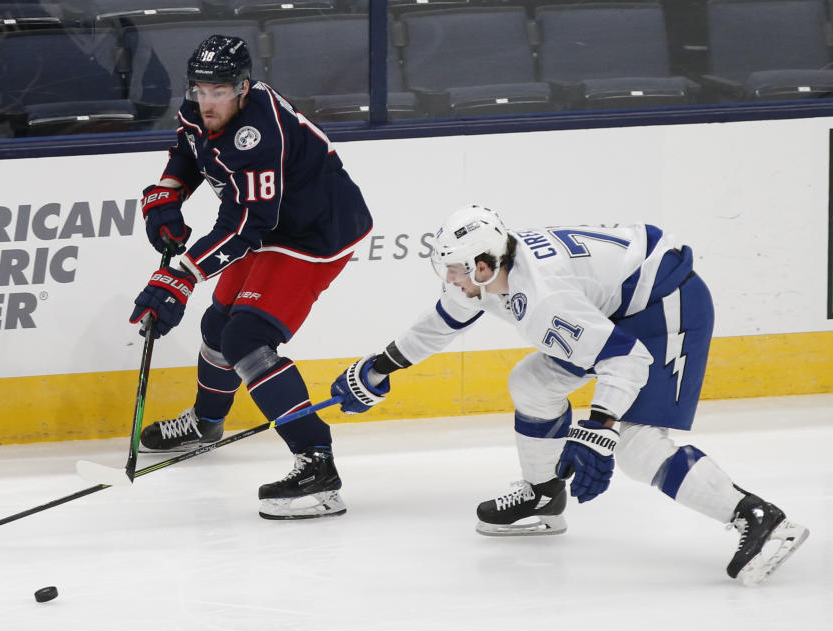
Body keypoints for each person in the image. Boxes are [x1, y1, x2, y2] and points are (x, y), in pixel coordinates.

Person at [331, 204, 809, 584]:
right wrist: (381, 366)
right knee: (532, 383)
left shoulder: (543, 299)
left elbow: (625, 360)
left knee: (635, 444)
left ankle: (757, 516)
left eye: (455, 271)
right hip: (616, 303)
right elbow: (443, 320)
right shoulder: (491, 268)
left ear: (482, 265)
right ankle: (543, 495)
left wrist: (599, 429)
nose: (450, 281)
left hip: (665, 304)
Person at [129, 35, 372, 520]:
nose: (207, 100)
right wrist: (166, 194)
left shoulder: (260, 133)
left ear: (243, 87)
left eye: (219, 91)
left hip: (314, 233)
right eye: (200, 89)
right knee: (217, 328)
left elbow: (247, 225)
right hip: (269, 224)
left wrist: (180, 276)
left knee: (247, 337)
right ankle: (205, 423)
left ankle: (317, 467)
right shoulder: (202, 106)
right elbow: (189, 150)